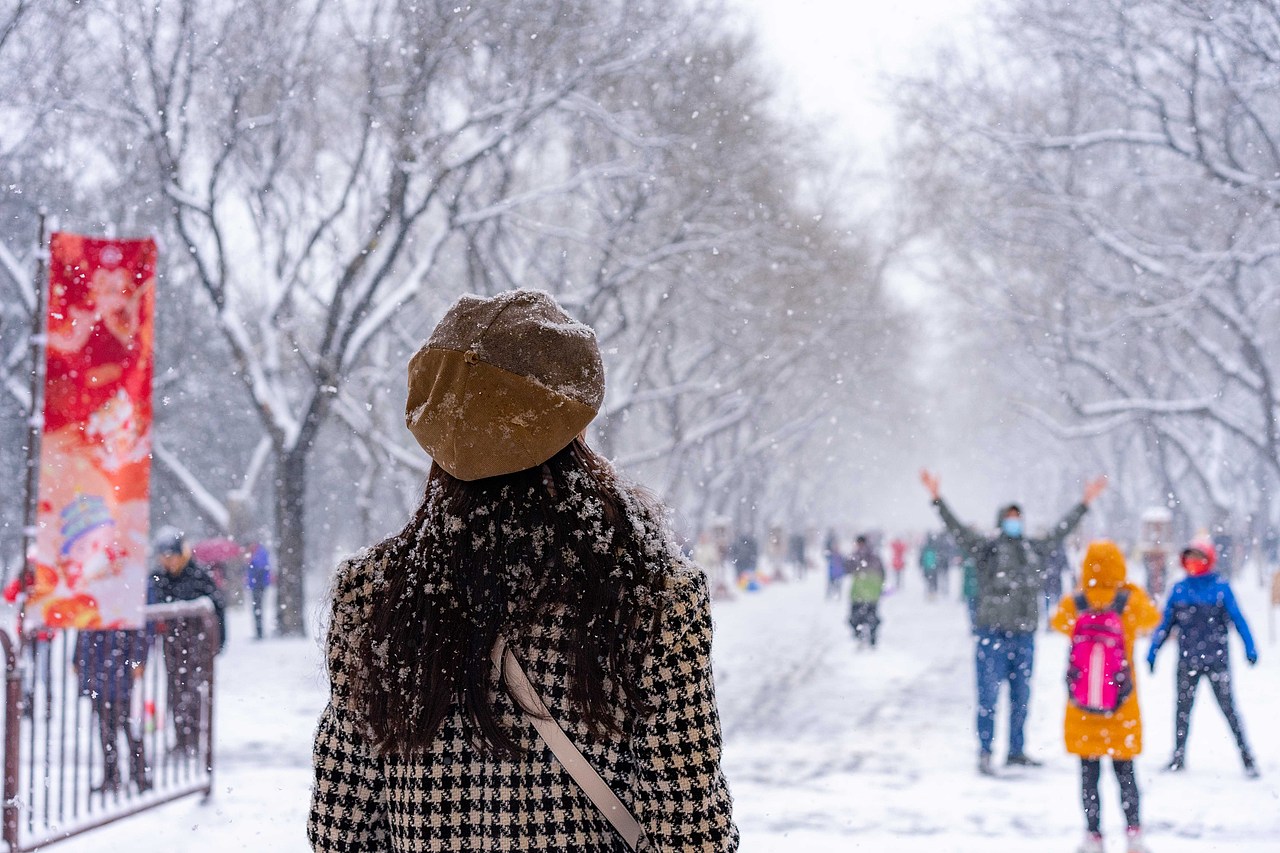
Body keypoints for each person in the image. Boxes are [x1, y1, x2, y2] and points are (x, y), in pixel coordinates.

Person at [308, 290, 738, 851]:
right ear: (573, 426)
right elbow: (692, 832)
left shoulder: (374, 596)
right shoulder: (651, 597)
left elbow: (343, 827)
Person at [920, 469, 1107, 775]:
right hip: (991, 634)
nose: (1014, 522)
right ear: (1000, 520)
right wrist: (937, 499)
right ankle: (985, 750)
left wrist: (1084, 504)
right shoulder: (987, 550)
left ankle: (1016, 750)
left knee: (1021, 697)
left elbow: (1060, 531)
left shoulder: (1032, 549)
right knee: (988, 697)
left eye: (1017, 517)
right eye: (1009, 517)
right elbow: (958, 532)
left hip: (1023, 636)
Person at [1050, 541, 1160, 853]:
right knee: (1126, 773)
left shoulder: (1077, 602)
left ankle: (1093, 835)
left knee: (1089, 775)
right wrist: (1127, 589)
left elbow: (1058, 623)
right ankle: (1134, 833)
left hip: (1083, 706)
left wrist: (1083, 591)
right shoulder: (1129, 601)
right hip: (1121, 705)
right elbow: (1152, 619)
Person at [1146, 539, 1259, 777]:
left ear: (1209, 561)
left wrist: (1249, 646)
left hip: (1216, 659)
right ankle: (1178, 757)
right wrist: (1153, 650)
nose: (1194, 563)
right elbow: (1165, 624)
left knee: (1229, 708)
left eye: (1199, 558)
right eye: (1190, 558)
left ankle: (1247, 757)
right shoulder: (1179, 590)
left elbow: (1238, 619)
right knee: (1182, 710)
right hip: (1187, 661)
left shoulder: (1220, 588)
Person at [148, 527, 226, 756]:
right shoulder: (158, 577)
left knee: (192, 691)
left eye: (171, 556)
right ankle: (181, 737)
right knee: (175, 690)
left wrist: (218, 643)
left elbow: (217, 609)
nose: (167, 562)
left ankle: (192, 737)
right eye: (163, 557)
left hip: (197, 645)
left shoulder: (199, 576)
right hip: (172, 645)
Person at [74, 627, 152, 794]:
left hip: (120, 661)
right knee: (105, 725)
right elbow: (83, 626)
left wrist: (138, 659)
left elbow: (141, 625)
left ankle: (139, 775)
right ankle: (112, 775)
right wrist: (77, 657)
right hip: (100, 662)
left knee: (127, 724)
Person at [847, 536, 886, 648]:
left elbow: (847, 568)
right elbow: (883, 574)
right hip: (872, 593)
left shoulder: (856, 555)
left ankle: (859, 637)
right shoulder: (875, 556)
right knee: (872, 616)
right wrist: (879, 588)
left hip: (858, 592)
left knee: (856, 617)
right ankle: (872, 638)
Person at [245, 542, 271, 640]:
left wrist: (250, 562)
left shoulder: (259, 554)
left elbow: (259, 568)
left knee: (257, 609)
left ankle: (259, 633)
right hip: (257, 585)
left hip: (258, 586)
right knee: (257, 609)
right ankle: (258, 631)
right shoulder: (259, 554)